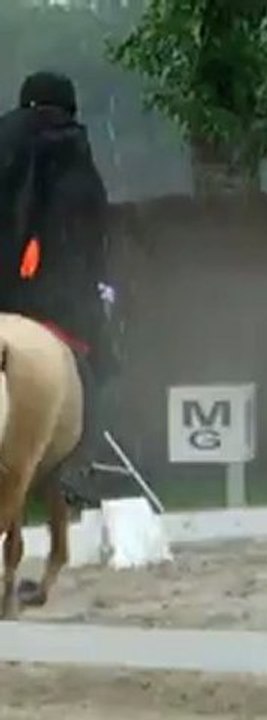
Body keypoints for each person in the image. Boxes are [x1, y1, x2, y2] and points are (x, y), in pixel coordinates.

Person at [0, 71, 119, 505]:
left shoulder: (5, 143)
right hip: (54, 297)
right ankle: (76, 470)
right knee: (94, 370)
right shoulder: (70, 149)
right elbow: (85, 236)